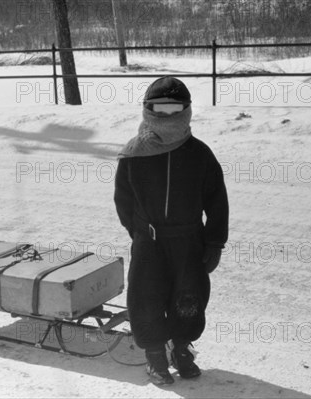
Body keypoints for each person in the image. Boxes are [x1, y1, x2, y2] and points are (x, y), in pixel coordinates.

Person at [114, 76, 229, 385]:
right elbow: (123, 199)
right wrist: (138, 232)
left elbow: (217, 201)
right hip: (149, 242)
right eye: (160, 110)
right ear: (148, 110)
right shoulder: (134, 154)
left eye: (174, 109)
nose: (167, 116)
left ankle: (180, 348)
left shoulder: (199, 155)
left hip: (188, 241)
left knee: (188, 297)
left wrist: (214, 242)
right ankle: (154, 354)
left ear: (186, 110)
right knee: (146, 298)